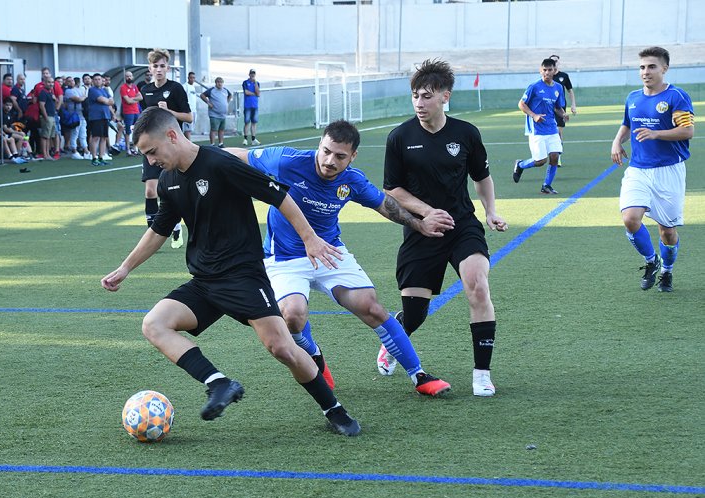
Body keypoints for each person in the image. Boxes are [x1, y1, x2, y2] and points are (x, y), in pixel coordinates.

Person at [101, 106, 360, 436]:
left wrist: (310, 239)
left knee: (283, 348)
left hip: (244, 278)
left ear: (171, 135)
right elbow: (159, 230)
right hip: (205, 282)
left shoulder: (220, 164)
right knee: (154, 324)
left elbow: (279, 196)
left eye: (152, 152)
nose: (150, 161)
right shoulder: (168, 181)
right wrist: (125, 268)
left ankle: (334, 409)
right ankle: (218, 383)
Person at [226, 120, 452, 397]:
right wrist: (199, 156)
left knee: (372, 308)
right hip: (284, 257)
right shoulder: (286, 161)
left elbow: (384, 204)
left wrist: (420, 223)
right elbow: (239, 155)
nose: (330, 161)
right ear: (319, 145)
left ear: (352, 156)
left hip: (330, 252)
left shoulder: (352, 180)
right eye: (326, 151)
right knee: (292, 316)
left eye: (340, 156)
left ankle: (419, 375)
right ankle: (315, 356)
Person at [383, 59, 508, 397]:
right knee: (414, 314)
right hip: (422, 231)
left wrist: (490, 212)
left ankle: (482, 372)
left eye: (426, 96)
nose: (419, 103)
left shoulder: (466, 133)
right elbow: (392, 190)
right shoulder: (400, 137)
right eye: (415, 96)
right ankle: (394, 339)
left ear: (444, 97)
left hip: (462, 225)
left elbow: (481, 178)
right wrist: (426, 214)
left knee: (478, 285)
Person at [610, 46, 694, 293]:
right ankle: (651, 261)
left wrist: (657, 133)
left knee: (667, 232)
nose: (645, 72)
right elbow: (627, 125)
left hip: (669, 171)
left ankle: (667, 270)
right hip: (638, 169)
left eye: (651, 66)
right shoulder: (633, 97)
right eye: (642, 67)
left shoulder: (676, 97)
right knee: (630, 218)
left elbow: (688, 131)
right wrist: (617, 141)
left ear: (664, 69)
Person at [138, 49, 191, 249]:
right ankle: (152, 233)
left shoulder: (175, 89)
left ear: (167, 68)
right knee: (151, 191)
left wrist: (168, 111)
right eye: (155, 66)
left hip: (171, 147)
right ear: (150, 68)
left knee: (170, 190)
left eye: (162, 66)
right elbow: (144, 119)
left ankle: (176, 224)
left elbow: (189, 117)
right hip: (152, 147)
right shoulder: (145, 90)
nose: (159, 70)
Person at [512, 58, 567, 195]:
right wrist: (534, 115)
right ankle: (520, 165)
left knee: (554, 156)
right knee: (540, 161)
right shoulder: (534, 87)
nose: (547, 73)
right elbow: (521, 104)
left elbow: (557, 107)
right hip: (536, 130)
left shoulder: (558, 88)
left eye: (549, 70)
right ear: (540, 70)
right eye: (544, 70)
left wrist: (563, 114)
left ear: (554, 71)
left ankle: (546, 186)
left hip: (552, 128)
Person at [549, 55, 577, 164]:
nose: (554, 63)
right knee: (551, 131)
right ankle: (551, 153)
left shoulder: (564, 76)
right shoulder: (547, 76)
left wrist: (573, 105)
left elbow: (570, 91)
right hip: (549, 108)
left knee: (558, 132)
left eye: (556, 61)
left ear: (558, 62)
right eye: (552, 61)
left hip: (560, 108)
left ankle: (557, 156)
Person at [86, 73, 114, 166]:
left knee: (104, 137)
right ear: (93, 81)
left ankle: (101, 157)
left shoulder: (104, 90)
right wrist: (108, 101)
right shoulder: (92, 90)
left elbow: (111, 101)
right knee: (96, 137)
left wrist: (108, 101)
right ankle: (94, 157)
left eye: (99, 79)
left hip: (105, 116)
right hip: (96, 116)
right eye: (96, 79)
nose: (98, 81)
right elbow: (103, 100)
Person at [200, 77, 231, 148]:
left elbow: (230, 95)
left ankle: (221, 143)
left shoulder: (225, 90)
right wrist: (208, 102)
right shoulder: (212, 90)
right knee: (214, 129)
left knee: (221, 129)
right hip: (214, 114)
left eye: (221, 82)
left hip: (223, 114)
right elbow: (202, 95)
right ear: (216, 83)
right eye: (218, 82)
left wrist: (227, 102)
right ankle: (212, 144)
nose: (220, 84)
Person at [119, 70, 143, 156]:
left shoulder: (134, 87)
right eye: (127, 76)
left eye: (130, 76)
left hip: (136, 111)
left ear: (132, 77)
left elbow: (141, 97)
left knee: (137, 130)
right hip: (128, 112)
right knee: (128, 131)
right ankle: (128, 149)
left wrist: (132, 99)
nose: (129, 77)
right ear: (125, 78)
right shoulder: (123, 88)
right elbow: (127, 101)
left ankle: (135, 148)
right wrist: (134, 99)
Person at [241, 69, 260, 146]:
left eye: (254, 74)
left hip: (255, 105)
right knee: (247, 122)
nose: (252, 75)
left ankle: (253, 139)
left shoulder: (257, 83)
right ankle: (245, 138)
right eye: (251, 73)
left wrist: (255, 83)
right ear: (249, 74)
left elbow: (258, 93)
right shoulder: (245, 82)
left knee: (254, 122)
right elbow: (246, 92)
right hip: (247, 105)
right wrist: (254, 93)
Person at [182, 71, 202, 140]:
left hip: (194, 110)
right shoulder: (185, 86)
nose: (192, 79)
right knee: (187, 129)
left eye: (193, 78)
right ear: (188, 78)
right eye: (191, 78)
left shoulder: (193, 87)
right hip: (188, 111)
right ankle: (189, 143)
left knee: (190, 129)